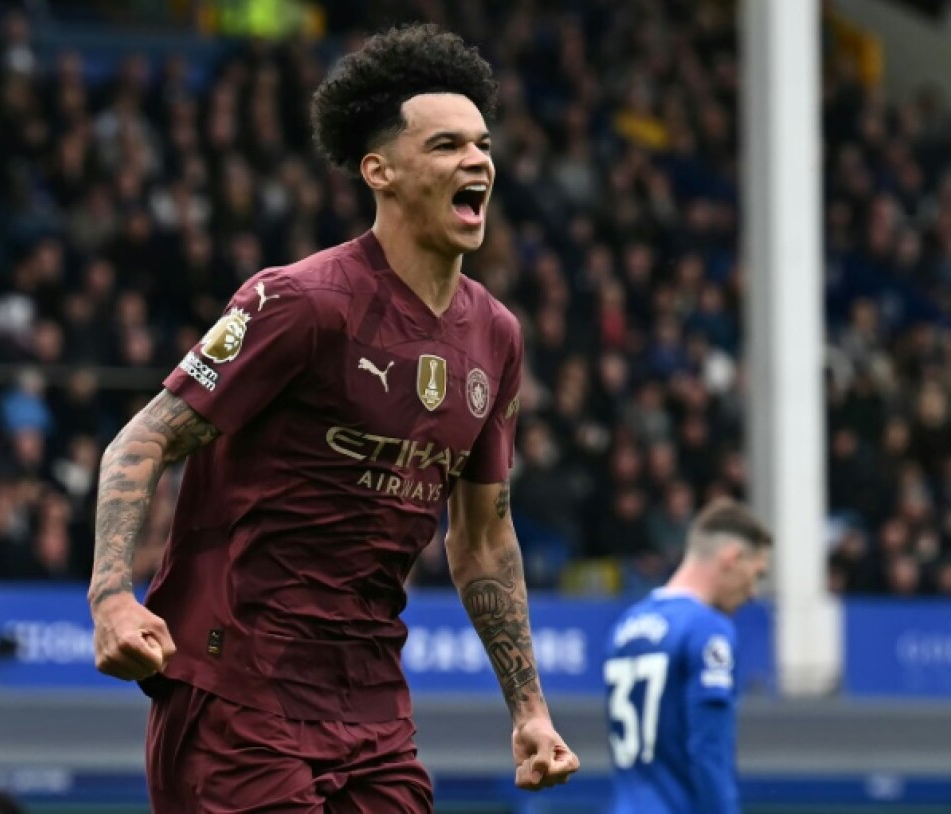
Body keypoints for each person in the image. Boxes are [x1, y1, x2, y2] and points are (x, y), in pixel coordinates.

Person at [86, 23, 579, 813]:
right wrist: (112, 596)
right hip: (238, 687)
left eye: (483, 144)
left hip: (372, 704)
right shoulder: (303, 302)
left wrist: (528, 709)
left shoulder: (497, 337)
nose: (477, 160)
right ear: (378, 170)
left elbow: (484, 541)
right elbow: (142, 440)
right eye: (448, 144)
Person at [603, 499, 772, 814]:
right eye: (757, 574)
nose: (752, 592)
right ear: (731, 558)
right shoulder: (708, 630)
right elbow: (709, 753)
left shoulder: (624, 628)